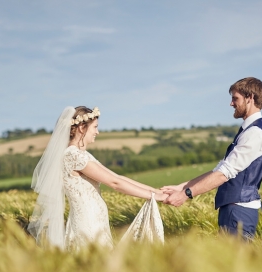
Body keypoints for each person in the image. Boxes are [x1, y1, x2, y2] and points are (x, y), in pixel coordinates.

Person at [28, 106, 167, 251]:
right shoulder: (72, 156)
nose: (97, 132)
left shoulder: (82, 155)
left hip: (95, 221)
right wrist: (154, 196)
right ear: (82, 127)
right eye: (95, 127)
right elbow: (115, 183)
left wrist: (156, 191)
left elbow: (117, 177)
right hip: (88, 225)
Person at [162, 77, 262, 240]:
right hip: (234, 212)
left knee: (233, 264)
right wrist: (183, 186)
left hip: (239, 213)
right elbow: (219, 169)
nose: (231, 103)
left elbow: (224, 174)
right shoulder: (249, 130)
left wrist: (186, 194)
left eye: (235, 98)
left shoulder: (254, 133)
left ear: (250, 98)